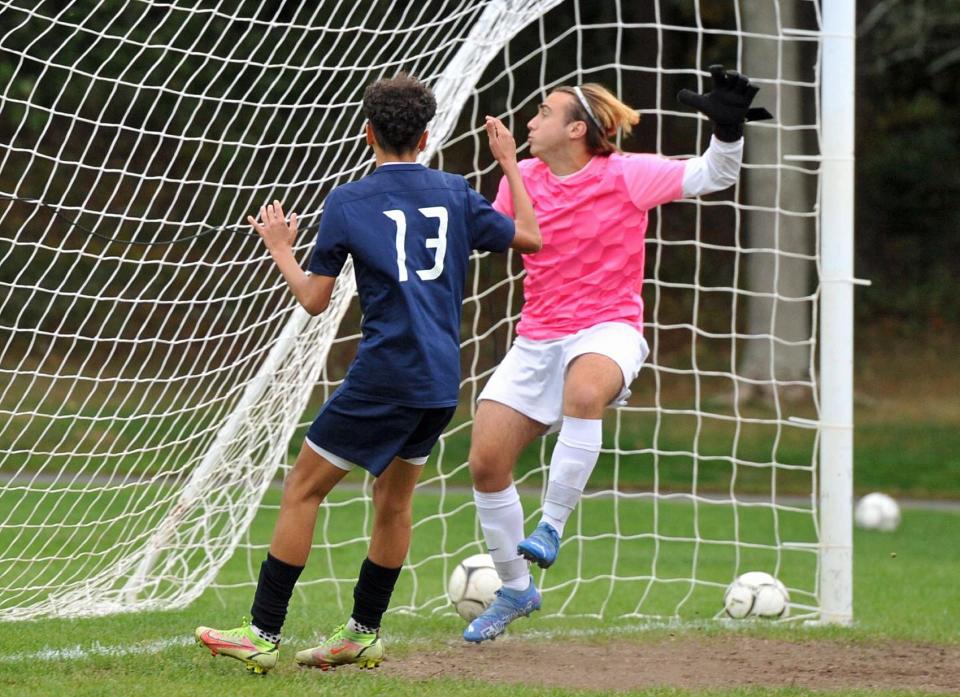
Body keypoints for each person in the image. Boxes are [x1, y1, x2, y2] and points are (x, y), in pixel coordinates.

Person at [194, 73, 540, 673]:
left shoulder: (350, 201)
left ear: (368, 132)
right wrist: (509, 165)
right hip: (439, 380)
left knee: (303, 489)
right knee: (392, 502)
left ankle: (261, 632)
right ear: (427, 135)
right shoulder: (457, 192)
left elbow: (314, 299)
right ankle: (362, 632)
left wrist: (280, 247)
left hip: (383, 375)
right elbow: (531, 237)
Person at [463, 65, 771, 643]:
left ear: (577, 129)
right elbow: (489, 236)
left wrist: (727, 131)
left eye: (545, 113)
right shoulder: (520, 176)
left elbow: (714, 175)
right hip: (537, 338)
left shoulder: (628, 174)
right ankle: (514, 587)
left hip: (609, 329)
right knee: (485, 463)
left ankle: (551, 526)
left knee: (585, 392)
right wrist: (502, 171)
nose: (531, 120)